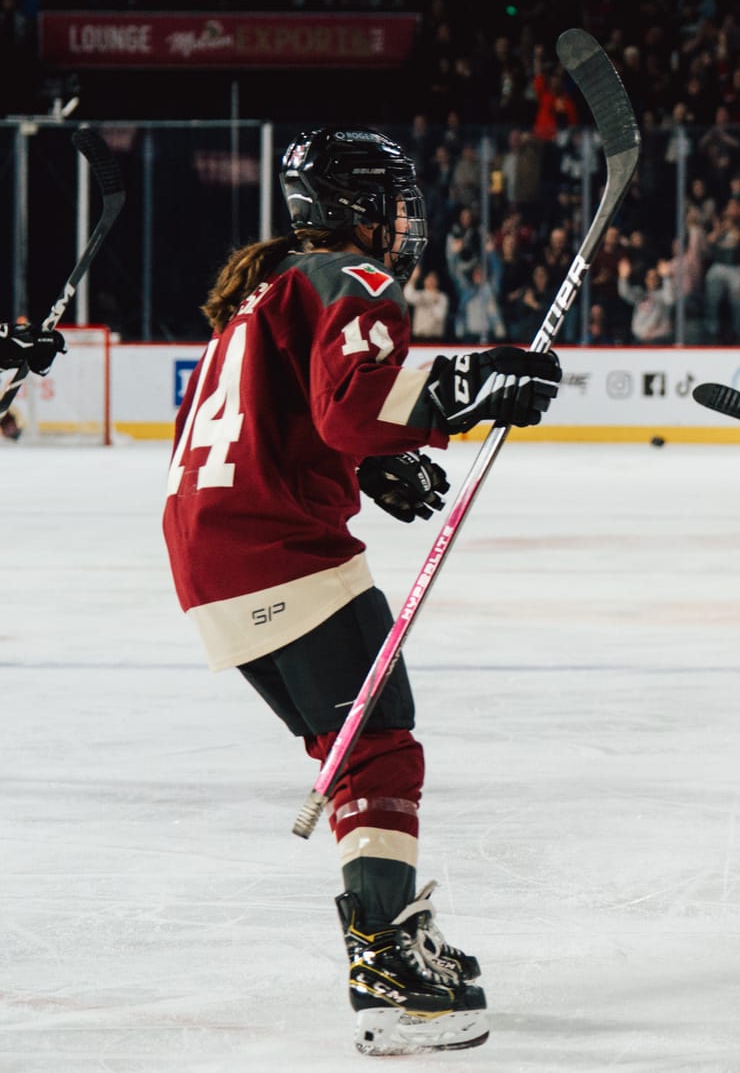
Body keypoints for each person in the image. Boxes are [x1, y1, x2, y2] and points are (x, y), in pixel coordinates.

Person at [161, 127, 560, 1055]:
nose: (404, 218)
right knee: (377, 743)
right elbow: (353, 400)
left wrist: (377, 465)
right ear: (353, 206)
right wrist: (473, 380)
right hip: (276, 547)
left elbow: (292, 414)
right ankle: (385, 964)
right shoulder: (357, 278)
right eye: (392, 197)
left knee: (359, 739)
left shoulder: (263, 290)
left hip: (209, 550)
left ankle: (389, 934)